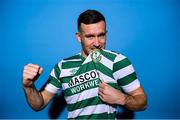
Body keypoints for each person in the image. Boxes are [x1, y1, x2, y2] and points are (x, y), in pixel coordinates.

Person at [22, 9, 147, 119]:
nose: (97, 43)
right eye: (90, 37)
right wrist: (29, 87)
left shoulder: (118, 61)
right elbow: (39, 104)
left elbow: (142, 101)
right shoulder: (62, 66)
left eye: (101, 35)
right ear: (79, 37)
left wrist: (122, 98)